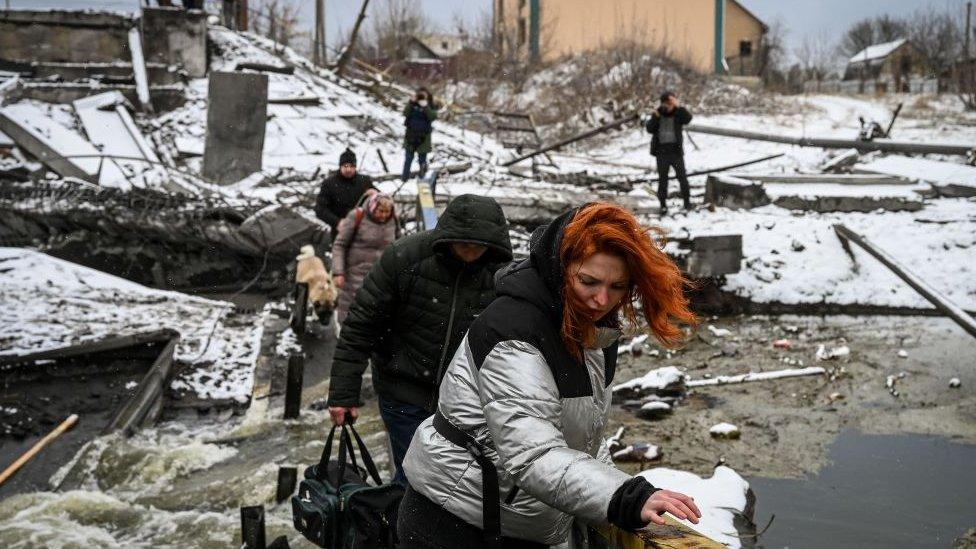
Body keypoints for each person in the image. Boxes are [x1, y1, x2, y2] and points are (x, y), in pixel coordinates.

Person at [399, 202, 702, 548]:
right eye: (588, 281)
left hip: (511, 521)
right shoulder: (515, 331)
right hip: (455, 524)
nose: (601, 299)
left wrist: (608, 501)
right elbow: (533, 454)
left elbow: (584, 437)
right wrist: (624, 497)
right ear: (560, 268)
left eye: (617, 287)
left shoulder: (593, 331)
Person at [327, 194, 513, 486]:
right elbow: (362, 323)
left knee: (452, 482)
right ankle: (401, 524)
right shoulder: (406, 258)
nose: (469, 251)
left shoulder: (501, 277)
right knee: (418, 478)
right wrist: (343, 393)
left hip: (463, 400)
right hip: (404, 389)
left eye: (478, 245)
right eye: (463, 242)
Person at [330, 192, 399, 324]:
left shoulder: (393, 220)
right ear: (373, 207)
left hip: (382, 277)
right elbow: (340, 245)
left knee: (377, 318)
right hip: (355, 276)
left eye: (387, 212)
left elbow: (399, 245)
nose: (384, 215)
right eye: (380, 211)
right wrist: (338, 272)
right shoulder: (357, 216)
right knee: (351, 316)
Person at [646, 91, 693, 214]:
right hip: (662, 153)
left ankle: (687, 202)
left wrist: (678, 106)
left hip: (675, 152)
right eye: (666, 103)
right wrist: (655, 116)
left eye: (670, 103)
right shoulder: (658, 113)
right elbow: (649, 128)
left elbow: (688, 119)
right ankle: (663, 204)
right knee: (663, 179)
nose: (668, 106)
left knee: (682, 177)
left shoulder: (678, 113)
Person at [315, 148, 376, 235]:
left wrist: (375, 193)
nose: (348, 170)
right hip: (339, 231)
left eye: (351, 166)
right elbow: (320, 209)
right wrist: (338, 222)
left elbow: (381, 200)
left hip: (363, 228)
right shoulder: (329, 183)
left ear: (355, 167)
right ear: (340, 166)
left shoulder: (364, 181)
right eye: (345, 166)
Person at [401, 87, 438, 182]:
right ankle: (404, 178)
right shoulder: (413, 104)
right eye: (420, 95)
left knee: (422, 161)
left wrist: (426, 106)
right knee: (408, 159)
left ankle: (423, 178)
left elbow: (433, 117)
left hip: (424, 138)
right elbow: (405, 113)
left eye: (423, 95)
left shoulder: (430, 105)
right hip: (410, 136)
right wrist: (411, 102)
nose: (421, 97)